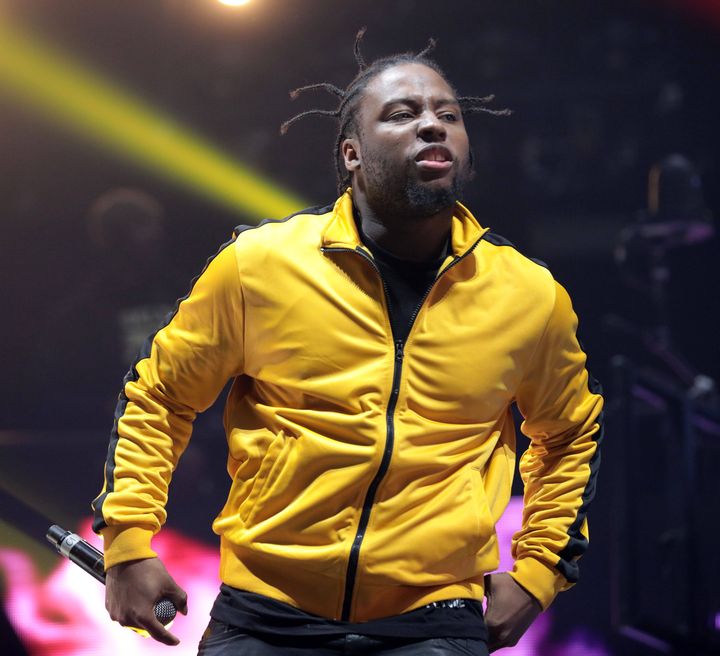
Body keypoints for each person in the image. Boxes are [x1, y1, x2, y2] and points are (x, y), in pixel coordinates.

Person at [92, 33, 603, 655]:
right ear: (352, 154)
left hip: (434, 621)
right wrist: (125, 544)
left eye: (448, 115)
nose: (433, 126)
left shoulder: (529, 295)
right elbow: (160, 397)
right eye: (402, 114)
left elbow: (569, 434)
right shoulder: (259, 267)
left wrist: (541, 571)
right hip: (265, 616)